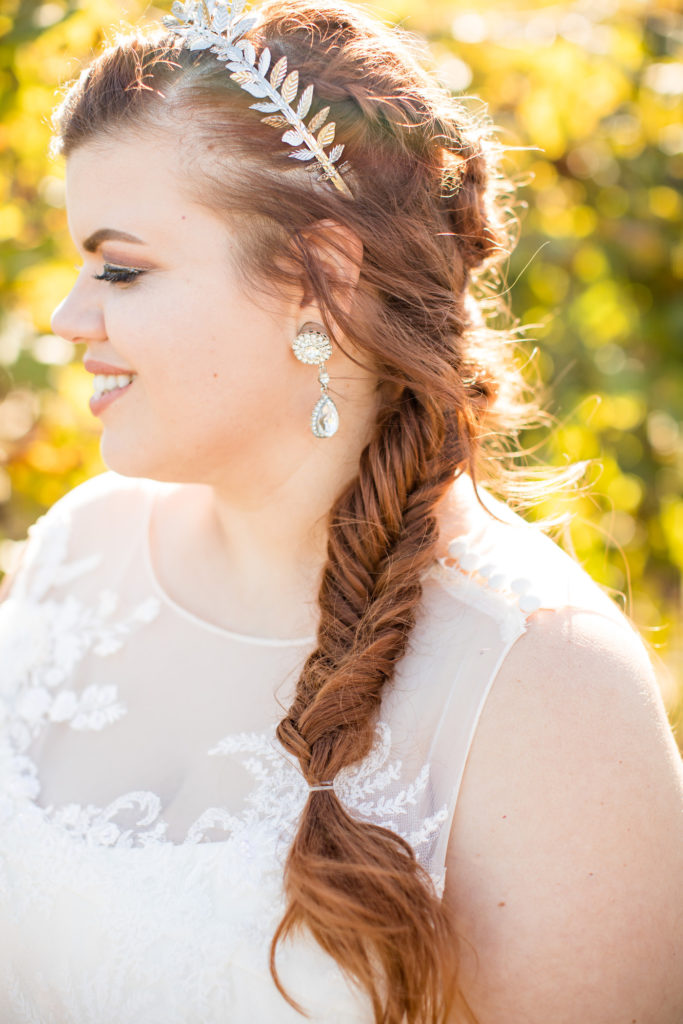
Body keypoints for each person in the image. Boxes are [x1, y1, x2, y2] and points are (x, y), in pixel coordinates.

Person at [0, 1, 681, 1022]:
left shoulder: (548, 687)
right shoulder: (77, 551)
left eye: (123, 268)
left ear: (318, 276)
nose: (68, 316)